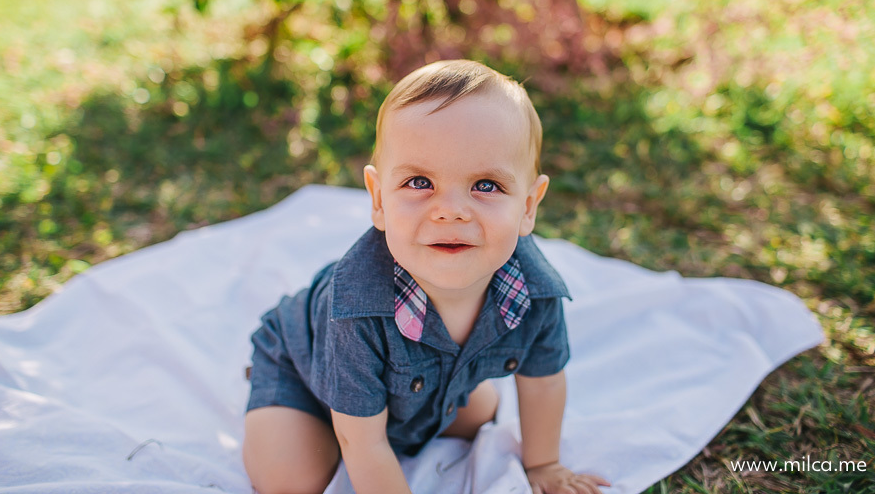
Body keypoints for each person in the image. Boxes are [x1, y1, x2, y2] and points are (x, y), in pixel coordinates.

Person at [242, 60, 610, 494]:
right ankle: (284, 404)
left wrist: (544, 464)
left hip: (421, 386)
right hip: (304, 375)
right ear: (379, 200)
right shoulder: (356, 307)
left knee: (479, 417)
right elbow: (359, 440)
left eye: (486, 185)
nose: (450, 210)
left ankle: (427, 401)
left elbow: (544, 382)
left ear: (528, 206)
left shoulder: (535, 292)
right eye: (420, 182)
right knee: (290, 480)